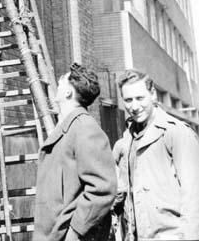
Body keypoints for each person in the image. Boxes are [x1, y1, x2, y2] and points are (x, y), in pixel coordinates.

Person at [33, 63, 117, 241]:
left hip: (67, 235)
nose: (58, 84)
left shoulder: (85, 128)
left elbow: (102, 189)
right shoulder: (70, 127)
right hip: (55, 233)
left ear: (68, 93)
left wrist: (75, 233)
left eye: (61, 82)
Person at [117, 68, 199, 241]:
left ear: (153, 94)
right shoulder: (127, 139)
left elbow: (194, 197)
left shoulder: (176, 133)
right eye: (128, 100)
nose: (134, 106)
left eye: (140, 98)